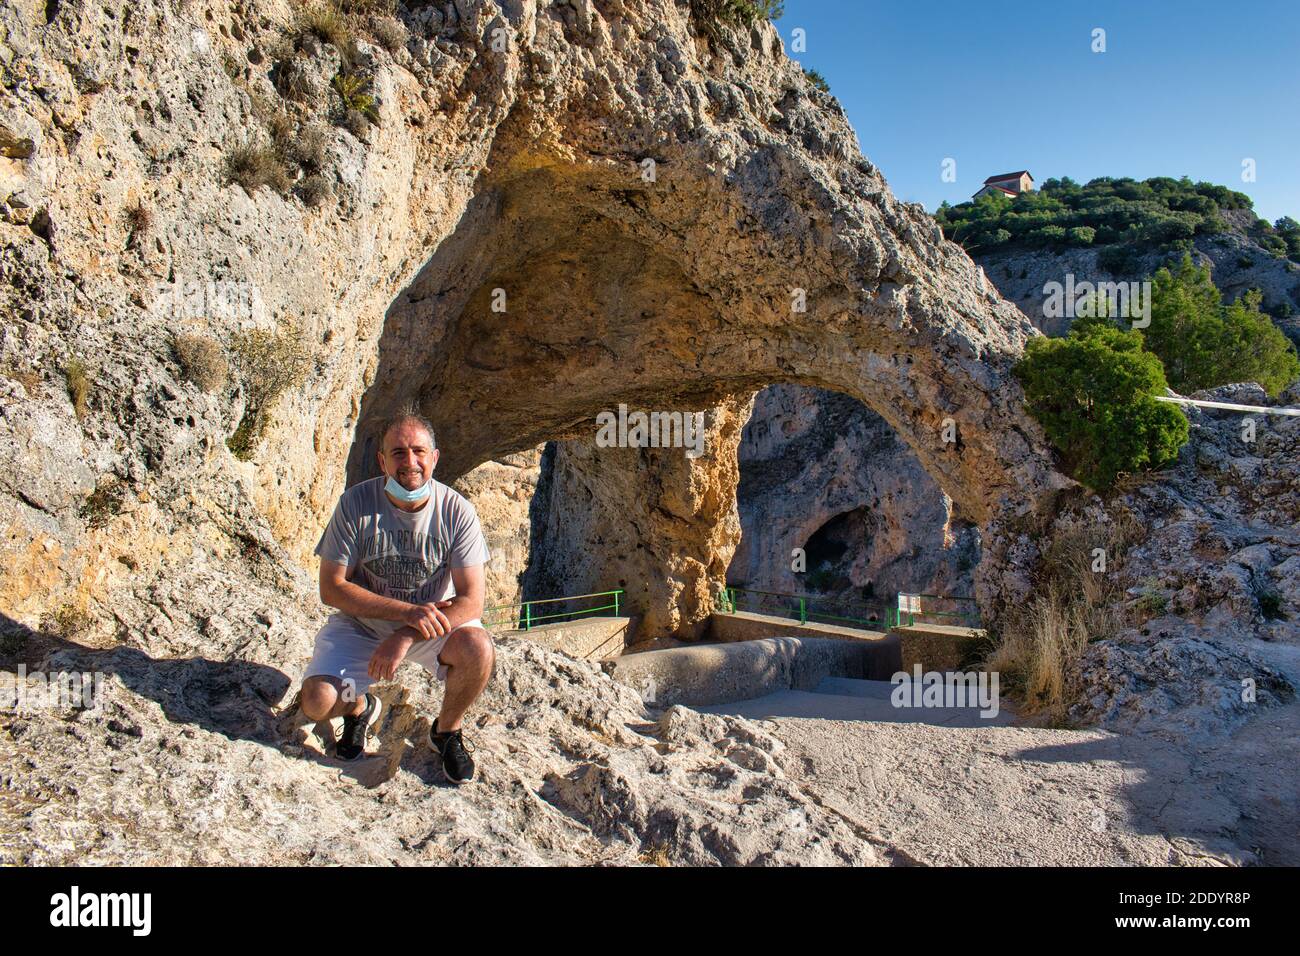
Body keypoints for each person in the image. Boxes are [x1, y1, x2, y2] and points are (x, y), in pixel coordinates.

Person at [297, 411, 494, 784]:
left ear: (435, 457)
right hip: (363, 624)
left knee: (478, 648)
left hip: (428, 627)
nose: (410, 462)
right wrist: (405, 612)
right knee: (317, 702)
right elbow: (331, 587)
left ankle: (447, 731)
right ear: (382, 460)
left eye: (419, 451)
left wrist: (405, 633)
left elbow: (472, 601)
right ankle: (359, 706)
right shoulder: (355, 504)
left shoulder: (457, 511)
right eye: (398, 452)